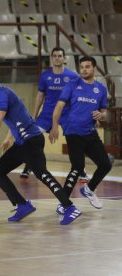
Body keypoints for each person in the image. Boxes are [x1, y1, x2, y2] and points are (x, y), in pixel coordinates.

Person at [0, 66, 81, 225]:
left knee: (42, 174)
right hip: (22, 143)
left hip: (31, 141)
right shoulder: (3, 93)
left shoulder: (1, 94)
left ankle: (70, 207)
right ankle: (23, 205)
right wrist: (8, 137)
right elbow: (18, 117)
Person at [49, 56, 112, 212]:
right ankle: (64, 202)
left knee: (105, 164)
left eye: (87, 66)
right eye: (82, 66)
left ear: (94, 69)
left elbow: (106, 113)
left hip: (90, 133)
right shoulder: (72, 85)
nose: (84, 69)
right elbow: (59, 106)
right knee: (77, 167)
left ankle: (89, 189)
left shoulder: (101, 89)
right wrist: (54, 126)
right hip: (73, 131)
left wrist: (101, 116)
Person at [20, 47, 89, 184]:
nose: (57, 58)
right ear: (52, 58)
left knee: (74, 141)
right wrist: (34, 115)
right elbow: (40, 96)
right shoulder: (45, 76)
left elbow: (79, 96)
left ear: (64, 58)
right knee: (33, 138)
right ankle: (29, 166)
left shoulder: (73, 76)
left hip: (66, 114)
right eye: (55, 56)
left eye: (60, 56)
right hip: (46, 114)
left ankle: (80, 170)